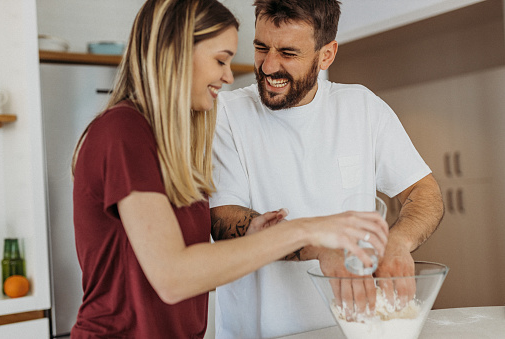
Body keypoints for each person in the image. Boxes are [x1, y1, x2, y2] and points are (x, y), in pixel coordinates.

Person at [69, 0, 389, 338]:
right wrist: (305, 230)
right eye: (220, 59)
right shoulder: (123, 130)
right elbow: (173, 277)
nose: (227, 75)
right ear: (175, 54)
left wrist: (253, 236)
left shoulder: (167, 145)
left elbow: (190, 260)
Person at [209, 0, 444, 338]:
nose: (269, 65)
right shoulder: (226, 114)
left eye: (288, 53)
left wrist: (397, 242)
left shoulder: (362, 107)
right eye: (262, 47)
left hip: (355, 328)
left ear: (326, 55)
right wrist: (321, 247)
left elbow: (424, 191)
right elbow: (224, 219)